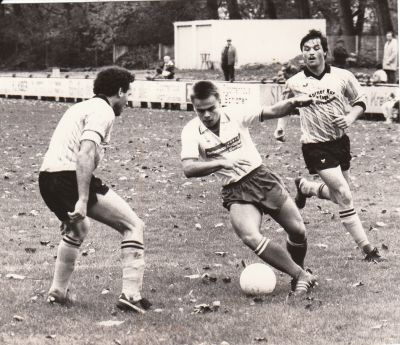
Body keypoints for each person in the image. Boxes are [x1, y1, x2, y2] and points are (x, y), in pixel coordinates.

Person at [180, 80, 318, 296]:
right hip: (235, 190)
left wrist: (293, 102)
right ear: (194, 107)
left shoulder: (234, 114)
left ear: (220, 102)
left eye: (211, 109)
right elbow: (188, 168)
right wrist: (220, 163)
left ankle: (298, 273)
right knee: (250, 236)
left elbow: (272, 110)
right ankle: (301, 276)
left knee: (298, 230)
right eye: (200, 111)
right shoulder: (191, 131)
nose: (206, 115)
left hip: (261, 177)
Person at [39, 67, 151, 313]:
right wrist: (80, 199)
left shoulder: (79, 107)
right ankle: (131, 296)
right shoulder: (103, 111)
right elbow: (85, 152)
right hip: (67, 176)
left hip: (47, 178)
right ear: (119, 91)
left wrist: (64, 204)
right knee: (134, 225)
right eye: (127, 94)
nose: (128, 101)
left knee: (79, 227)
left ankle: (58, 293)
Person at [274, 30, 385, 263]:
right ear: (302, 54)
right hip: (314, 145)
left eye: (315, 48)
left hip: (340, 143)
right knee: (344, 194)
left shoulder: (342, 76)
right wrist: (280, 127)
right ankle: (367, 249)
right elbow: (285, 106)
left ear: (325, 51)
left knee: (338, 197)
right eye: (306, 49)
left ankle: (307, 188)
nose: (311, 52)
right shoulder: (295, 82)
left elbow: (360, 102)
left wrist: (350, 118)